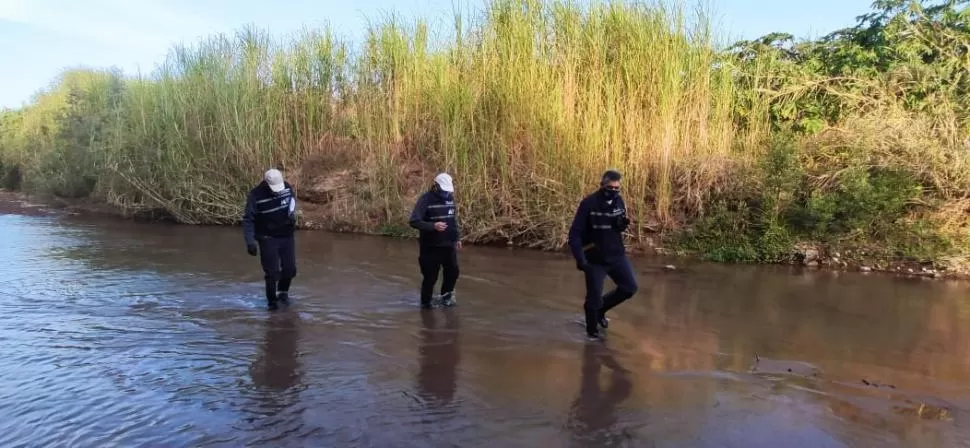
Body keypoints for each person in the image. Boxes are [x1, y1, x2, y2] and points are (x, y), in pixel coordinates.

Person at [568, 169, 639, 340]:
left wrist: (621, 224)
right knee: (593, 299)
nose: (614, 191)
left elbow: (616, 226)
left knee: (630, 287)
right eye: (610, 188)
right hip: (594, 259)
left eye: (617, 188)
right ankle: (592, 334)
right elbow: (575, 234)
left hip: (616, 255)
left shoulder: (619, 202)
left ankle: (601, 310)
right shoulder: (589, 204)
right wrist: (581, 259)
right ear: (602, 186)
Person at [243, 168, 298, 311]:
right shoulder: (255, 195)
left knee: (290, 269)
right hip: (267, 237)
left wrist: (292, 214)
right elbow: (248, 220)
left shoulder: (286, 186)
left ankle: (283, 293)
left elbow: (291, 200)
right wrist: (250, 242)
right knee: (272, 273)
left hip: (286, 235)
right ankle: (272, 303)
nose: (277, 190)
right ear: (266, 184)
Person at [409, 172, 462, 309]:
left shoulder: (450, 199)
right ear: (436, 186)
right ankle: (425, 307)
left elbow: (452, 220)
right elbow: (414, 221)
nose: (446, 194)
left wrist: (456, 238)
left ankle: (446, 300)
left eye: (448, 192)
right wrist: (433, 226)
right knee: (430, 278)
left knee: (453, 272)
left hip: (448, 245)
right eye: (444, 191)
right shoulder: (425, 200)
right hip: (430, 247)